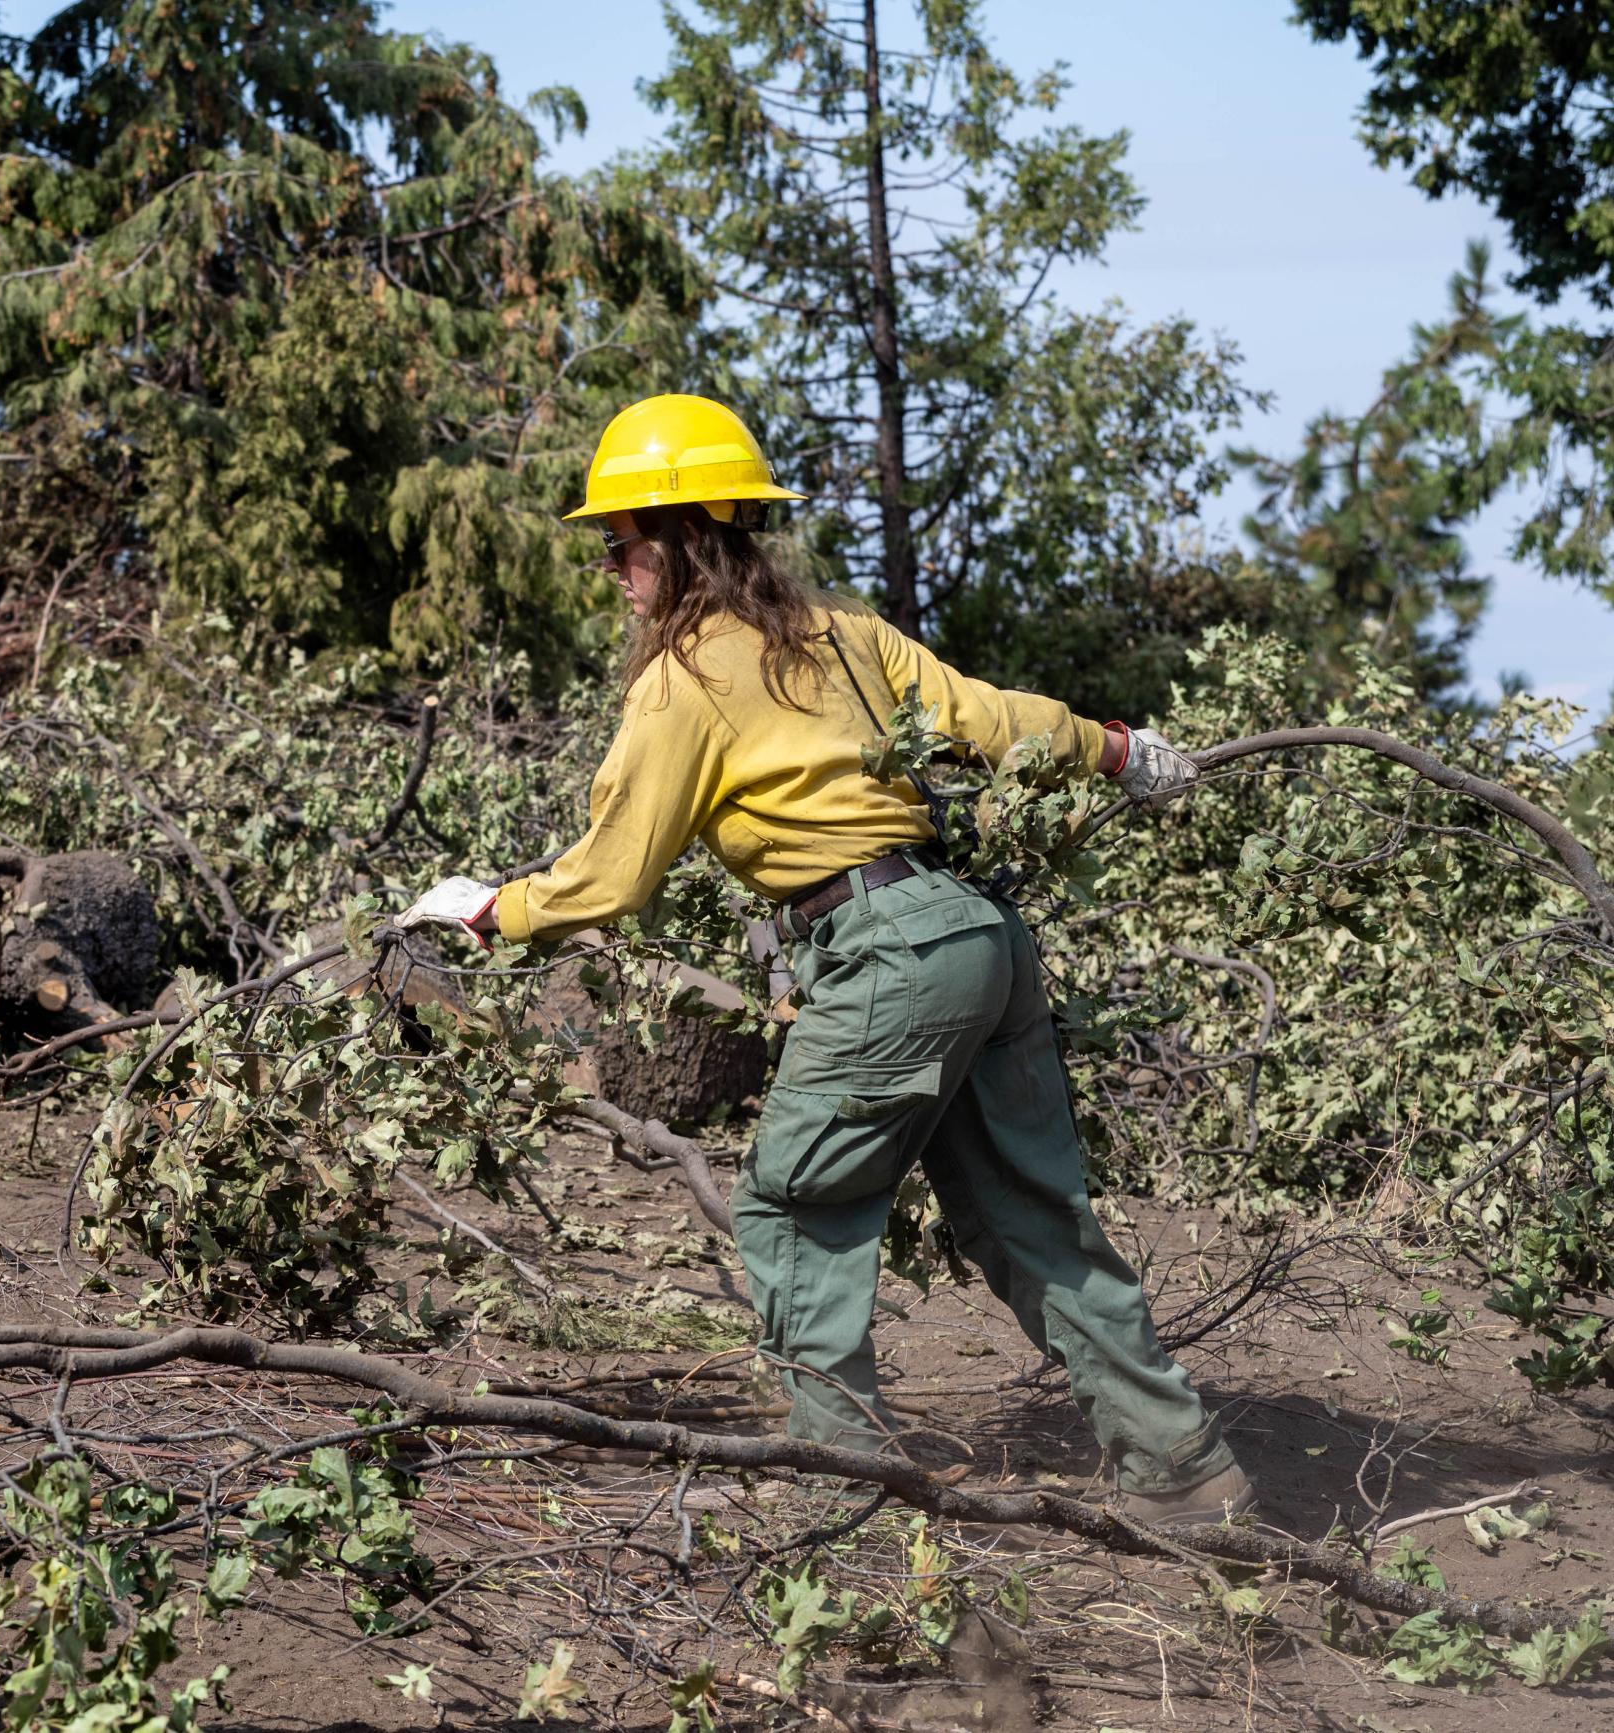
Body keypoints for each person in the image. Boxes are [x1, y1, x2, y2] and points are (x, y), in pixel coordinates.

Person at [399, 393, 1255, 1524]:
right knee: (1027, 1216)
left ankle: (839, 1480)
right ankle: (1187, 1474)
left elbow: (610, 877)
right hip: (972, 936)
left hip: (886, 950)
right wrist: (1117, 748)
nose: (610, 570)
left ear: (671, 535)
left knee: (790, 1209)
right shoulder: (842, 634)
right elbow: (993, 717)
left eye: (615, 545)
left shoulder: (683, 679)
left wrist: (485, 914)